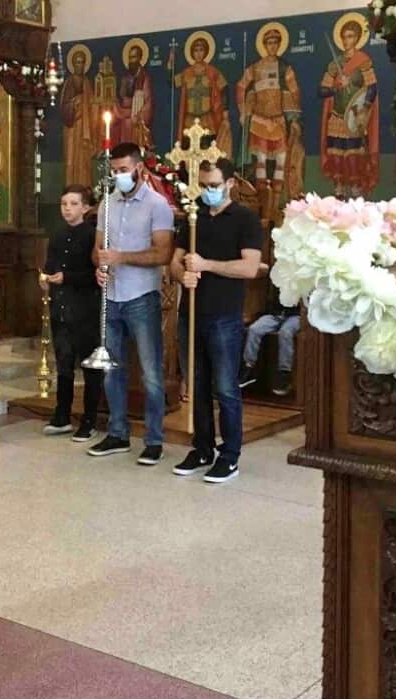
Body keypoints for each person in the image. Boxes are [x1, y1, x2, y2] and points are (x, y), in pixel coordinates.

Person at [169, 157, 261, 483]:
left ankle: (230, 454)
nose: (208, 192)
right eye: (204, 186)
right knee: (196, 385)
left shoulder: (245, 219)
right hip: (190, 312)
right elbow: (175, 263)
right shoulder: (193, 218)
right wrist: (184, 276)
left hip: (223, 314)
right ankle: (202, 447)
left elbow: (249, 267)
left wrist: (206, 265)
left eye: (214, 186)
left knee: (225, 387)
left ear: (230, 184)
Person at [88, 142, 174, 465]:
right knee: (112, 370)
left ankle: (153, 439)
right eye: (114, 171)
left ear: (138, 168)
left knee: (151, 372)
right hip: (111, 296)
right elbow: (98, 249)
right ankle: (118, 433)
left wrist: (121, 257)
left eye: (124, 170)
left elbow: (162, 253)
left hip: (141, 297)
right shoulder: (106, 205)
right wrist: (99, 265)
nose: (119, 176)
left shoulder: (157, 205)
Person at [41, 184, 103, 442]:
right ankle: (62, 414)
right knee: (64, 363)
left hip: (85, 308)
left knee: (89, 365)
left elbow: (94, 274)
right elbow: (49, 265)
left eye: (74, 204)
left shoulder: (91, 235)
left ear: (86, 207)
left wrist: (66, 277)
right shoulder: (56, 234)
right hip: (61, 307)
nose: (68, 209)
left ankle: (89, 419)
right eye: (64, 204)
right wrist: (44, 278)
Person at [236, 25, 304, 222]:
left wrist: (294, 119)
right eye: (269, 42)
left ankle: (274, 208)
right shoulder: (255, 68)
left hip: (278, 121)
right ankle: (263, 211)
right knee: (261, 163)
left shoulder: (285, 69)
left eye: (275, 42)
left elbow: (294, 93)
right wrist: (243, 111)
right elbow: (240, 86)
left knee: (281, 163)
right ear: (264, 45)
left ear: (279, 45)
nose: (272, 46)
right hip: (259, 121)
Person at [318, 19, 379, 199]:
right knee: (336, 157)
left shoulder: (363, 62)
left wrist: (364, 110)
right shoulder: (334, 64)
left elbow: (372, 88)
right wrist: (336, 86)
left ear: (357, 38)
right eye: (344, 37)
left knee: (354, 158)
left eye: (350, 36)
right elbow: (322, 90)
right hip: (337, 117)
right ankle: (338, 189)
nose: (346, 41)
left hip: (355, 117)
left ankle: (355, 190)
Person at [240, 288, 300, 396]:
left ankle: (284, 372)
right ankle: (248, 367)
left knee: (285, 332)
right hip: (275, 314)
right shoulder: (278, 274)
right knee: (254, 329)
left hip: (296, 315)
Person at [60, 47, 97, 188]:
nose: (79, 65)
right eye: (77, 62)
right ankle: (70, 188)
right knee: (71, 159)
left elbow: (92, 104)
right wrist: (74, 104)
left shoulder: (87, 82)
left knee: (83, 160)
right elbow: (64, 106)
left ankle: (85, 188)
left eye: (82, 62)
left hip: (84, 127)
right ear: (73, 65)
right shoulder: (69, 83)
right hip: (72, 127)